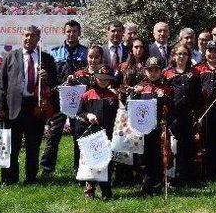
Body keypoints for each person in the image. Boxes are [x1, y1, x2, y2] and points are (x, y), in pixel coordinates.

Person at [0, 26, 58, 185]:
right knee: (11, 146)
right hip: (13, 107)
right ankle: (9, 179)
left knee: (33, 145)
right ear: (21, 37)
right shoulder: (9, 57)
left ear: (39, 38)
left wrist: (47, 77)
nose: (29, 38)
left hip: (35, 107)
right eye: (26, 35)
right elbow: (1, 84)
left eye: (33, 36)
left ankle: (31, 178)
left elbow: (54, 86)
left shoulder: (47, 59)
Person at [41, 19, 88, 175]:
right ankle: (47, 168)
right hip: (58, 100)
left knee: (79, 134)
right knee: (54, 134)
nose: (71, 34)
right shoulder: (55, 52)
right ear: (64, 32)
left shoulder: (86, 53)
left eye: (74, 31)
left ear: (79, 33)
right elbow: (50, 78)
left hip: (79, 101)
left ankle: (79, 167)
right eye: (68, 31)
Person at [129, 57, 174, 195]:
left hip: (159, 129)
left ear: (161, 71)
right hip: (142, 129)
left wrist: (168, 122)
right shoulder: (141, 88)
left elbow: (171, 109)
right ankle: (145, 182)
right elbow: (130, 107)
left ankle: (157, 184)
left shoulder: (166, 89)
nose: (153, 73)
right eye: (150, 70)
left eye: (156, 70)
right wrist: (133, 94)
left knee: (158, 156)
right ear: (145, 71)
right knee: (144, 157)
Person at [75, 65, 119, 200]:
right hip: (92, 136)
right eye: (101, 78)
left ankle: (106, 191)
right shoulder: (87, 95)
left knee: (106, 162)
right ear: (95, 78)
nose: (103, 81)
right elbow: (79, 114)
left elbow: (118, 115)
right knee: (91, 162)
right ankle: (90, 189)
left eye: (106, 79)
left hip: (107, 135)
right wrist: (88, 115)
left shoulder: (113, 96)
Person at [192, 41, 216, 179]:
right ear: (205, 52)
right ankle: (205, 171)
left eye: (214, 51)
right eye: (209, 51)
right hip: (203, 112)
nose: (212, 54)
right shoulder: (198, 69)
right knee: (204, 141)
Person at [163, 43, 201, 183]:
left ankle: (188, 176)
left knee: (188, 145)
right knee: (173, 145)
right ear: (173, 55)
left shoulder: (194, 73)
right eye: (179, 53)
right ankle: (173, 177)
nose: (182, 56)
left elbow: (198, 96)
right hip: (173, 116)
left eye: (185, 54)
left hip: (189, 115)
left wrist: (197, 114)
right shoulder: (167, 74)